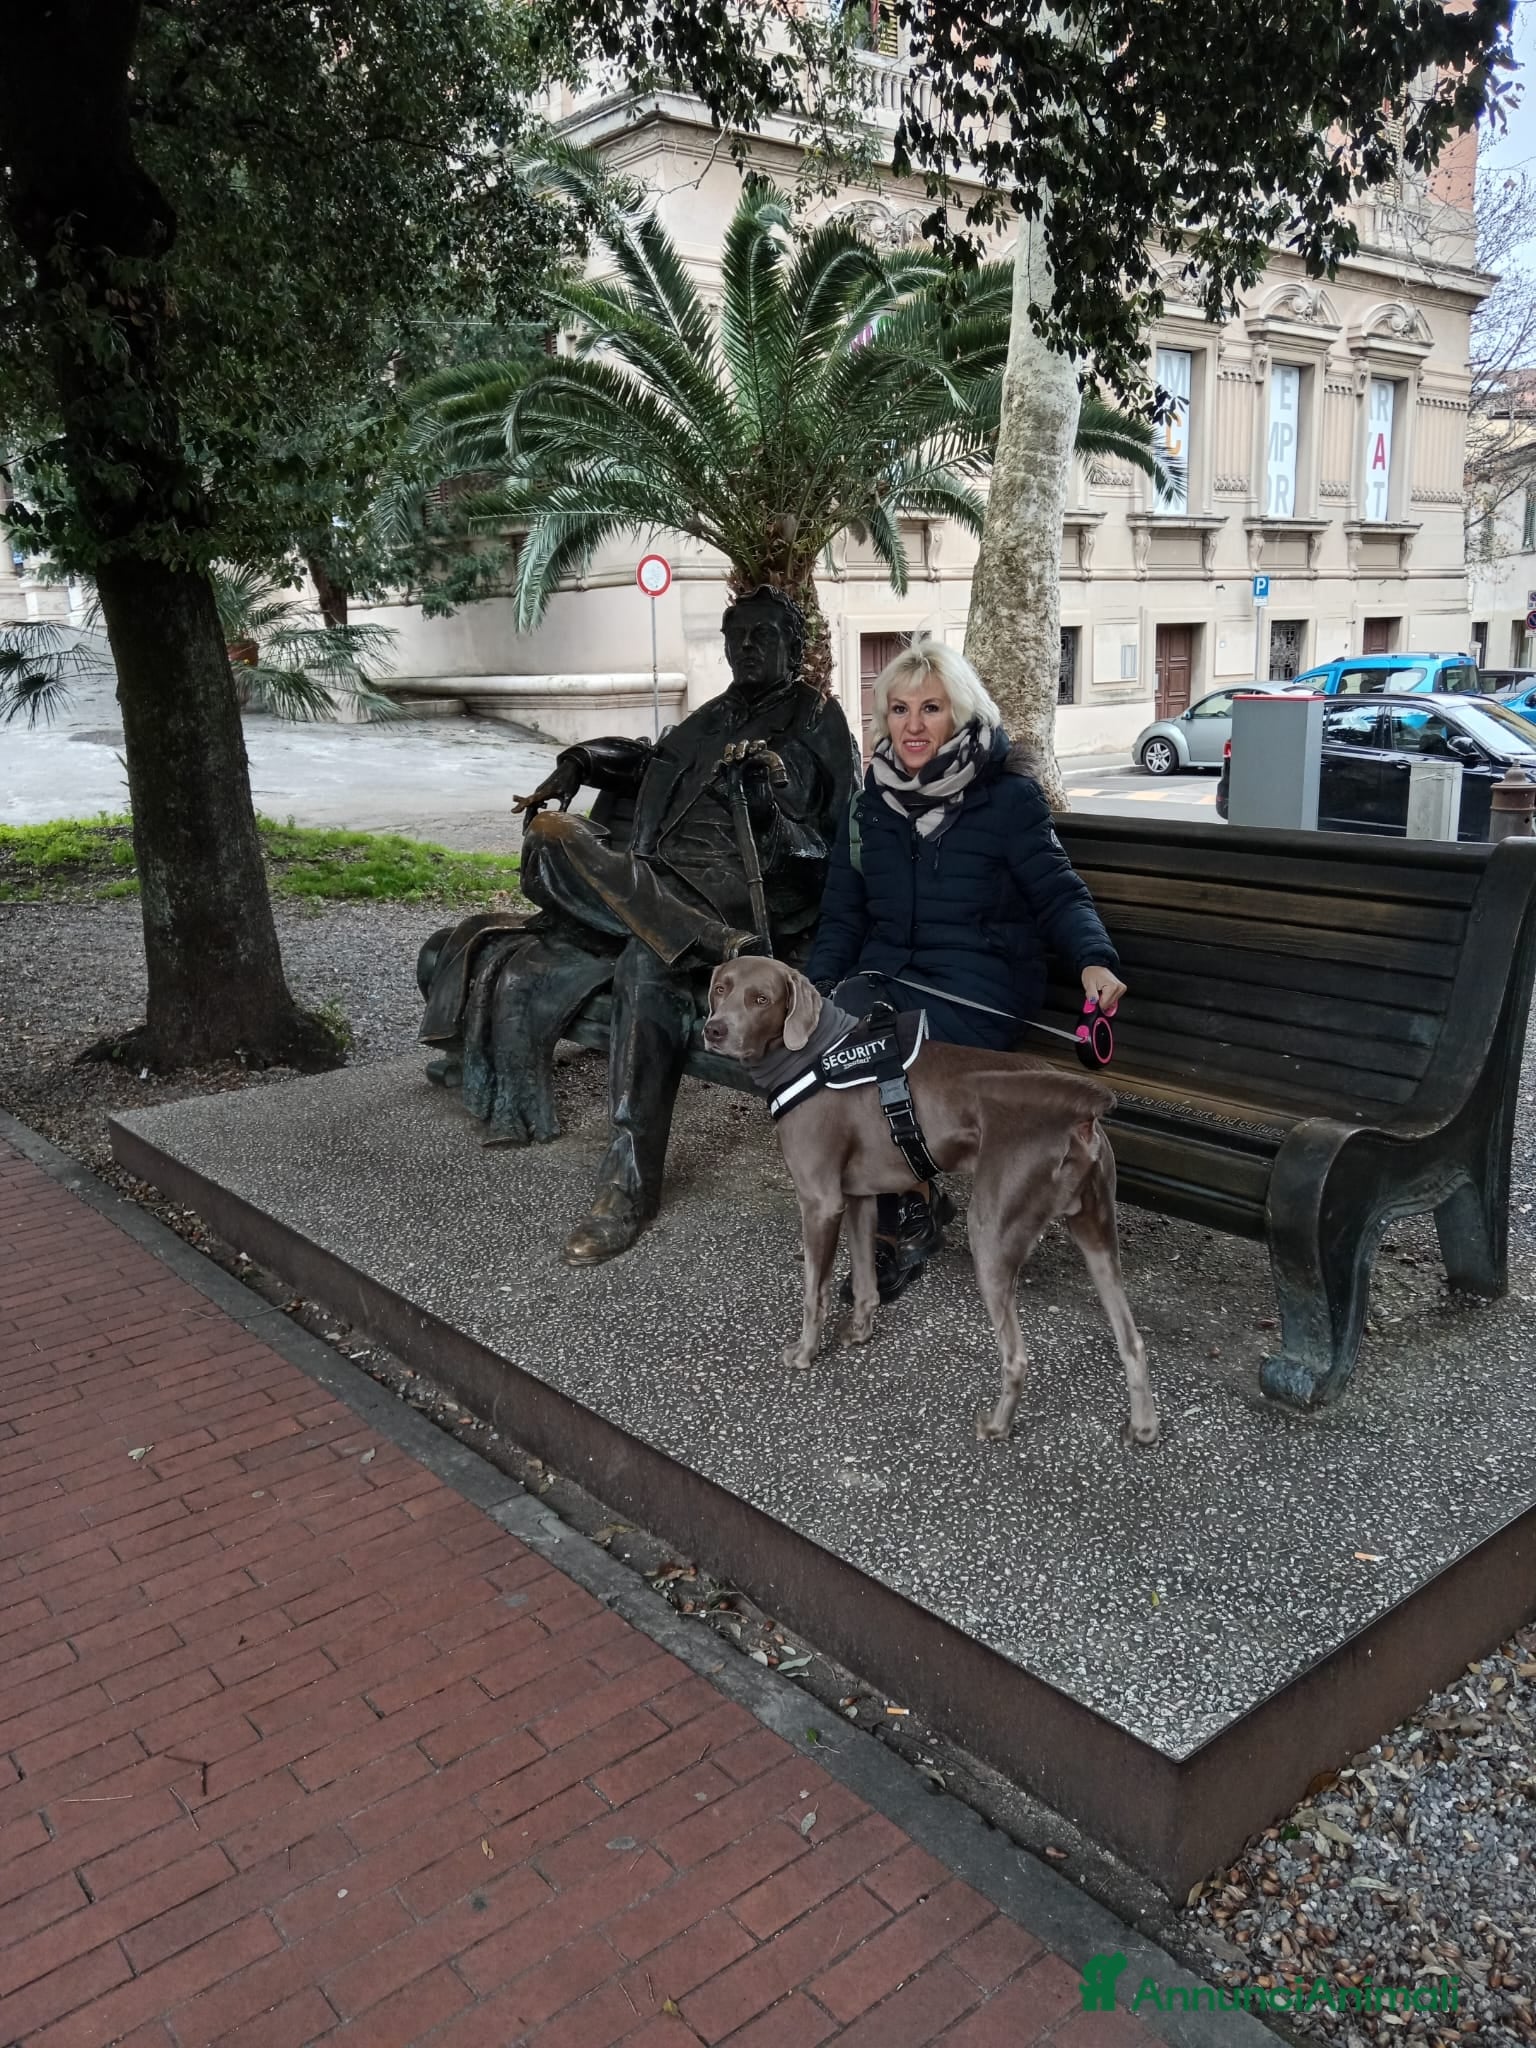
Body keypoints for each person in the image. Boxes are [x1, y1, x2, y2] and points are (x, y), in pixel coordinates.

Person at [418, 586, 857, 1264]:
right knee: (551, 833)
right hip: (661, 885)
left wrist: (772, 796)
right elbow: (651, 760)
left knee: (646, 965)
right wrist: (580, 761)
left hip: (741, 897)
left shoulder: (816, 719)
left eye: (763, 635)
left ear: (794, 648)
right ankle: (690, 938)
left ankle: (626, 1186)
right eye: (736, 635)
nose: (746, 647)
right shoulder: (711, 716)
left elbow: (828, 842)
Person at [804, 637, 1127, 1301]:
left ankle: (904, 1215)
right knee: (833, 1043)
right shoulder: (869, 806)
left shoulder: (1006, 798)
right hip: (890, 976)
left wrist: (1094, 961)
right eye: (899, 709)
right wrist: (819, 989)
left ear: (961, 713)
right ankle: (909, 1196)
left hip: (982, 983)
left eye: (931, 708)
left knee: (883, 1053)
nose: (913, 725)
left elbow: (1058, 892)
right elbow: (841, 915)